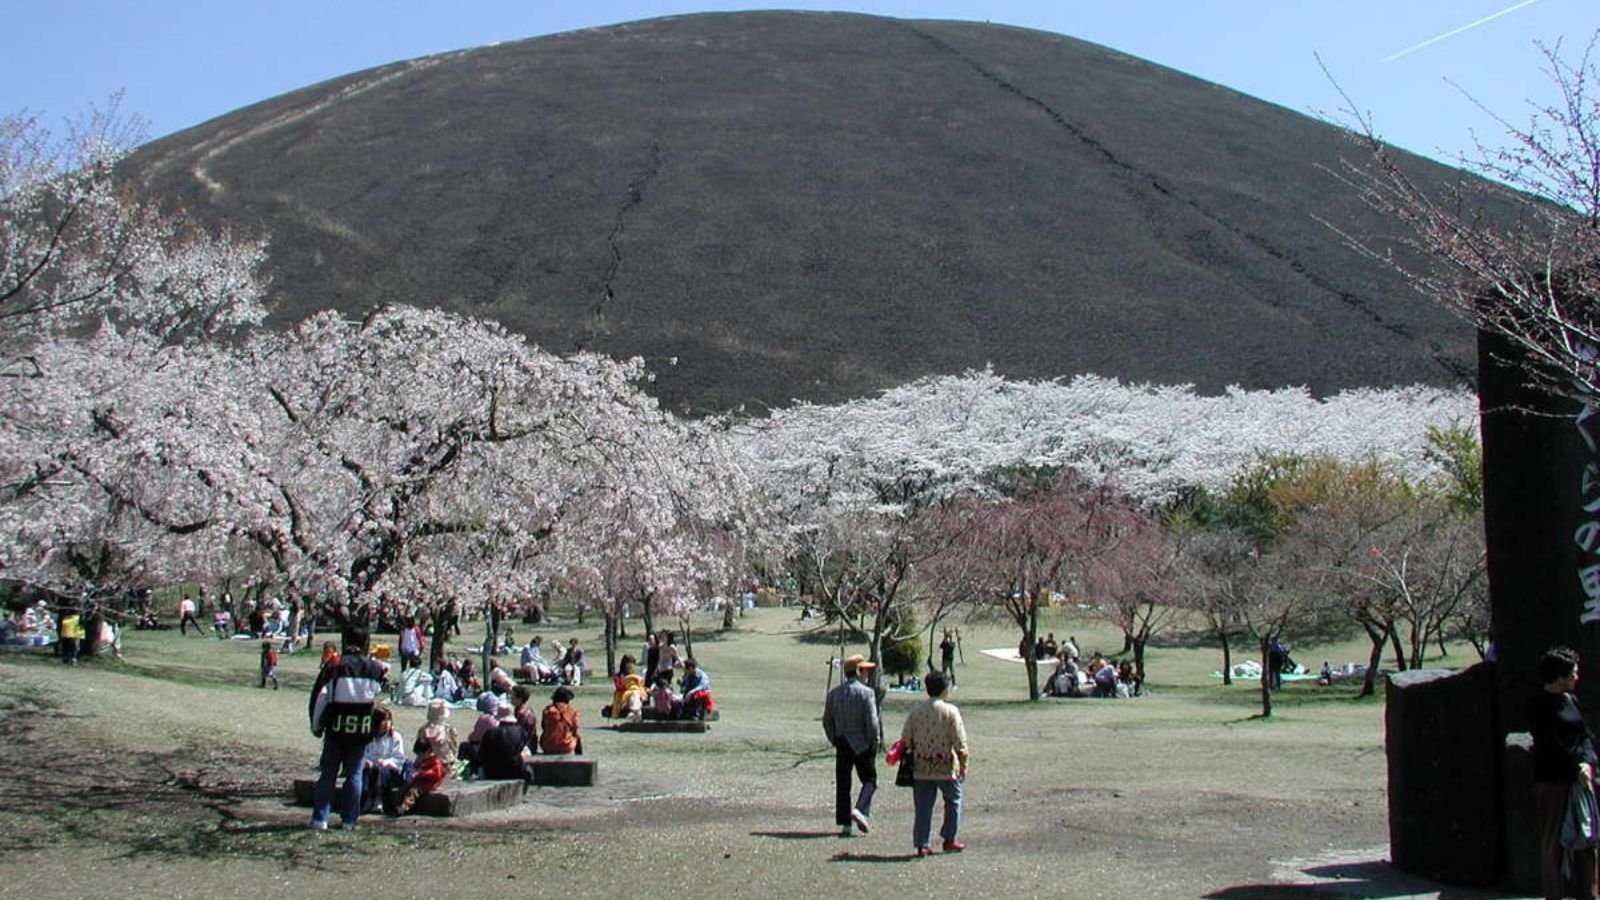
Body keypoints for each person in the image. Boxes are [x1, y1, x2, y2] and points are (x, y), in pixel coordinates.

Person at [1530, 645, 1599, 899]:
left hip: (1579, 781)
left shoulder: (1571, 700)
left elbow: (1585, 735)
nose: (1577, 677)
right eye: (1573, 673)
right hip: (1553, 783)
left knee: (1586, 840)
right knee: (1554, 845)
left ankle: (1588, 894)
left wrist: (1586, 762)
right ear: (1559, 676)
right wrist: (1575, 765)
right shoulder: (1539, 705)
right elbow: (1551, 743)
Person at [307, 626, 389, 831]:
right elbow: (378, 692)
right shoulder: (374, 668)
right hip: (360, 730)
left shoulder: (334, 665)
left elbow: (321, 697)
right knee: (354, 774)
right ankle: (349, 821)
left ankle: (320, 819)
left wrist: (316, 725)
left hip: (336, 727)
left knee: (328, 773)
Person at [900, 671, 968, 856]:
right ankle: (949, 838)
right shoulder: (951, 711)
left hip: (922, 766)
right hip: (946, 766)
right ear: (944, 689)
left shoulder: (916, 713)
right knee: (953, 801)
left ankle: (922, 843)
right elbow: (960, 742)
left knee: (923, 807)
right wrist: (963, 764)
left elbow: (906, 740)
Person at [823, 654, 880, 836]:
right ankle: (860, 809)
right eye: (865, 670)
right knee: (870, 780)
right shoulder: (867, 693)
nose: (867, 675)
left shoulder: (834, 694)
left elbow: (827, 721)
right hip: (862, 742)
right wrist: (874, 741)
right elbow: (872, 721)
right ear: (857, 671)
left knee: (843, 783)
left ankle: (845, 824)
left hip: (842, 742)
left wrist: (835, 739)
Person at [360, 706, 408, 812]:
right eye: (383, 720)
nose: (387, 723)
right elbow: (362, 755)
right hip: (372, 767)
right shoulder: (368, 737)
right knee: (369, 771)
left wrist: (386, 762)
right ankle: (368, 798)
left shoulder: (395, 737)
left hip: (390, 770)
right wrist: (367, 762)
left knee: (381, 771)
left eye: (388, 720)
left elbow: (399, 758)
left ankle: (379, 799)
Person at [387, 737, 448, 817]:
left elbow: (436, 774)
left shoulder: (435, 761)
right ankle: (396, 804)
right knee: (404, 788)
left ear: (428, 751)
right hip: (419, 781)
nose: (419, 756)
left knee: (413, 791)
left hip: (428, 784)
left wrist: (421, 773)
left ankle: (405, 807)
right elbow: (416, 767)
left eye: (421, 754)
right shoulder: (422, 760)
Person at [478, 701, 535, 781]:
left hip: (493, 772)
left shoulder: (490, 733)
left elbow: (481, 756)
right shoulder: (521, 732)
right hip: (515, 770)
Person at [539, 686, 583, 755]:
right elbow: (575, 729)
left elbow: (543, 726)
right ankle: (579, 759)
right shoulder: (571, 711)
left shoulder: (547, 711)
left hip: (548, 746)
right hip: (566, 746)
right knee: (577, 737)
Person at [417, 699, 460, 769]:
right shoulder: (450, 730)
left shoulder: (422, 730)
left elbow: (418, 750)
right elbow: (455, 749)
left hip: (426, 764)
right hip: (445, 763)